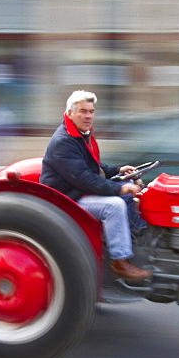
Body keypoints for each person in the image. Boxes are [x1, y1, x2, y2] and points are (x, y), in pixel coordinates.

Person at [40, 90, 151, 282]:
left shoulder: (80, 135)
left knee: (129, 185)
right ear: (70, 112)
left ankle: (143, 238)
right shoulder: (64, 142)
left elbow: (94, 168)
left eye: (91, 111)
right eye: (83, 111)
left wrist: (120, 170)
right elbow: (83, 178)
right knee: (114, 205)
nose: (88, 116)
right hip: (67, 199)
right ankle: (120, 261)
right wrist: (119, 188)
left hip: (79, 191)